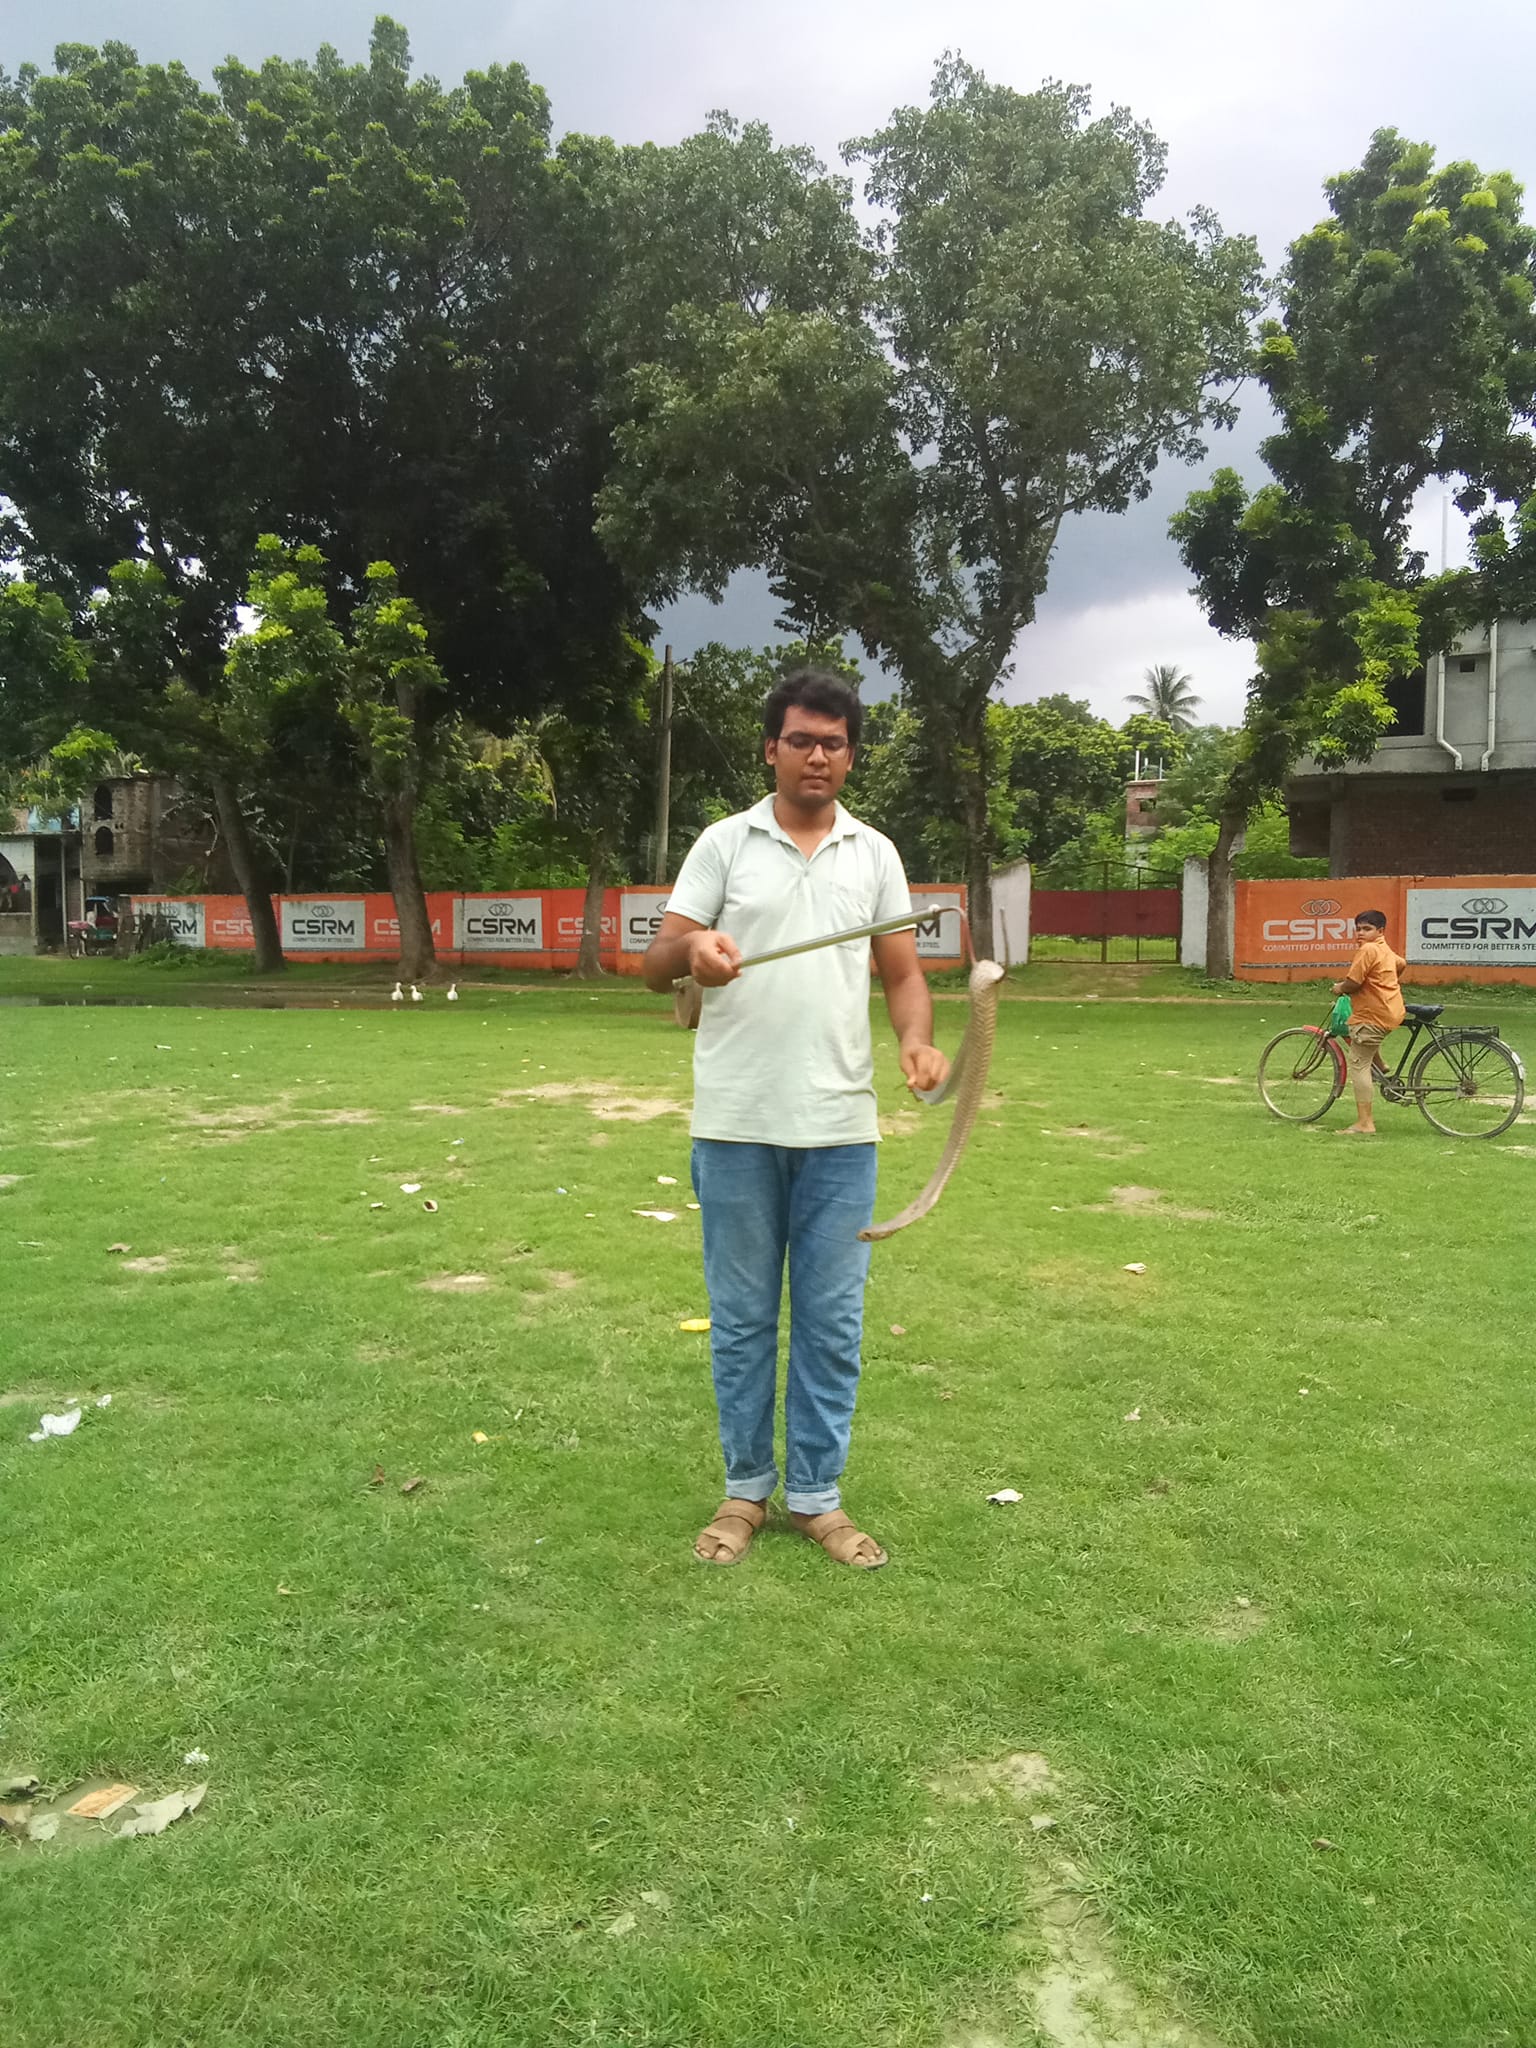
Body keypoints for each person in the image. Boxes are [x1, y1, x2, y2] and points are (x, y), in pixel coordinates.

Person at [643, 668, 948, 1571]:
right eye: (802, 740)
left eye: (835, 743)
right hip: (734, 1124)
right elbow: (655, 964)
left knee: (831, 1324)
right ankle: (745, 1491)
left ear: (851, 756)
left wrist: (917, 1042)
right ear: (771, 748)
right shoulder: (724, 844)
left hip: (841, 1131)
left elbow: (902, 975)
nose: (818, 756)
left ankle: (816, 1497)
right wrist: (694, 949)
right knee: (741, 1321)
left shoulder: (875, 854)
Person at [1332, 909, 1407, 1136]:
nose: (1361, 933)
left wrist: (1339, 988)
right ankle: (1381, 1066)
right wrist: (1385, 982)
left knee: (1358, 1063)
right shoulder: (1384, 948)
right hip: (1391, 1010)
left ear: (1380, 931)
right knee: (1360, 1035)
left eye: (1367, 929)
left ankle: (1365, 1123)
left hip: (1374, 1014)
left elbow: (1353, 982)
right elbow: (1401, 963)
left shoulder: (1368, 949)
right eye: (1358, 929)